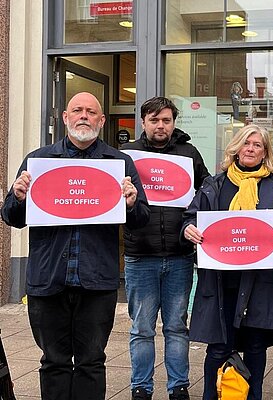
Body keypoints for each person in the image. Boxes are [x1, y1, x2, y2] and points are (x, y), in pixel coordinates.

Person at [1, 92, 150, 400]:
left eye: (91, 112)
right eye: (77, 110)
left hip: (96, 282)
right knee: (53, 361)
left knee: (92, 362)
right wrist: (17, 197)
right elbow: (12, 218)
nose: (84, 116)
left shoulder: (119, 163)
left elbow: (141, 219)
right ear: (66, 118)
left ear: (101, 120)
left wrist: (133, 204)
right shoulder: (38, 161)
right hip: (48, 279)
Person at [182, 124, 273, 400]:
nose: (251, 149)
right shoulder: (214, 184)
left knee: (256, 348)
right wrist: (188, 228)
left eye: (258, 145)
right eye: (247, 143)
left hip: (259, 282)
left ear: (265, 153)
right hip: (221, 282)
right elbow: (191, 217)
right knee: (218, 348)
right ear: (236, 148)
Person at [121, 97, 210, 400]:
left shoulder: (189, 154)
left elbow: (208, 193)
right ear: (143, 122)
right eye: (154, 120)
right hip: (139, 255)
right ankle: (141, 388)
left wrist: (196, 222)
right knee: (142, 328)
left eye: (167, 120)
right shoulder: (126, 156)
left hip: (179, 255)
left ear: (174, 122)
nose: (161, 126)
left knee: (176, 327)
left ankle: (178, 387)